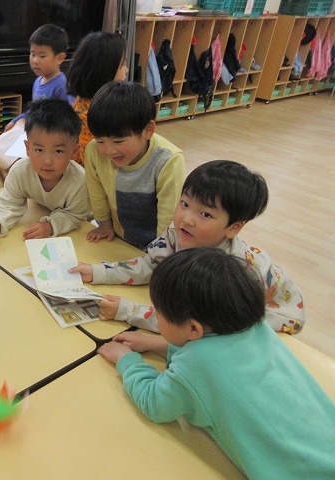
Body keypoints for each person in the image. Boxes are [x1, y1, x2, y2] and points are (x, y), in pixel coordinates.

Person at [98, 248, 335, 479]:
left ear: (193, 328)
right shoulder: (257, 328)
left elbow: (154, 403)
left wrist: (126, 360)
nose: (156, 318)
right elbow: (216, 356)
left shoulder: (195, 365)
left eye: (158, 314)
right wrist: (155, 344)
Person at [70, 160, 305, 335]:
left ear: (233, 228)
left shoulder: (227, 273)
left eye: (205, 214)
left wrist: (128, 311)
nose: (187, 219)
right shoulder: (178, 235)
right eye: (184, 203)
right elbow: (148, 265)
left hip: (273, 321)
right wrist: (97, 272)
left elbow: (195, 326)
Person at [0, 98, 89, 251]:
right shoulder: (20, 172)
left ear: (74, 152)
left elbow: (75, 215)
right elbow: (9, 202)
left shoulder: (80, 181)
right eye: (39, 150)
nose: (47, 161)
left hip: (83, 233)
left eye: (58, 151)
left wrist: (50, 225)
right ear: (27, 148)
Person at [84, 81, 185, 251]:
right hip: (119, 238)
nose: (108, 150)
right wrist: (104, 225)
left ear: (148, 130)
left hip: (158, 244)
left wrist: (159, 252)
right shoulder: (94, 150)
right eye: (100, 141)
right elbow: (97, 194)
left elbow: (169, 218)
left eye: (118, 141)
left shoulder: (168, 160)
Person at [66, 31, 128, 165]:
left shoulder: (86, 100)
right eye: (123, 64)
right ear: (105, 70)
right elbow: (93, 161)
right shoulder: (95, 113)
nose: (127, 70)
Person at [5, 24, 71, 131]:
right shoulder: (38, 81)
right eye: (33, 54)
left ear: (59, 58)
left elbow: (70, 119)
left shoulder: (61, 86)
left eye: (42, 56)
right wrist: (15, 120)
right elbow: (34, 111)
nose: (35, 60)